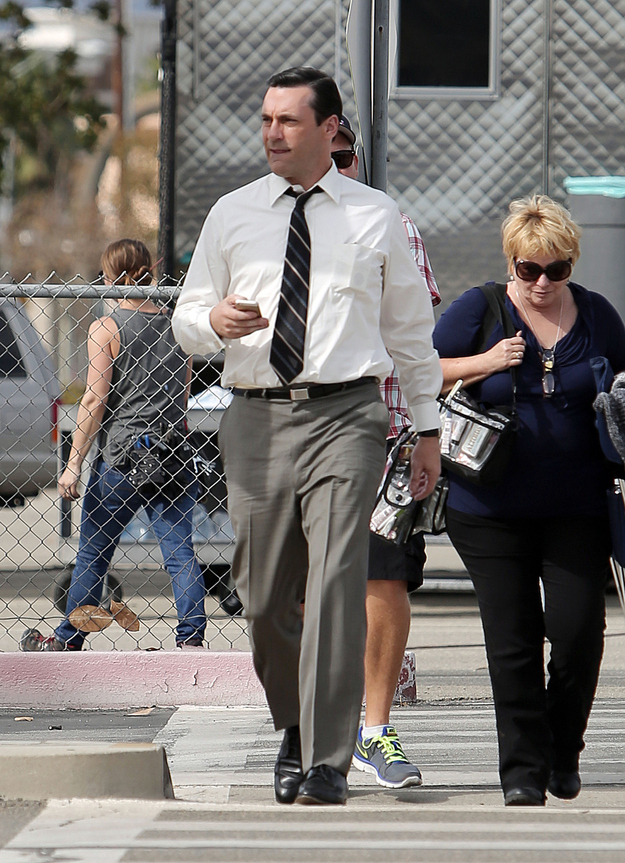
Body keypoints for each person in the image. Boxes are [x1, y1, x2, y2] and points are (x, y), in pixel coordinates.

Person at [172, 67, 442, 806]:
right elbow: (187, 317)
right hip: (255, 414)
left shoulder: (376, 216)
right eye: (265, 119)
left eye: (288, 121)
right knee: (261, 595)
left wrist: (426, 427)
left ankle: (327, 760)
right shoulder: (232, 213)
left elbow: (410, 333)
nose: (272, 133)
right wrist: (212, 322)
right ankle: (293, 723)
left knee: (334, 581)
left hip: (347, 414)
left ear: (329, 129)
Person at [433, 195, 625, 806]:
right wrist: (484, 362)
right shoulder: (480, 308)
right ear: (511, 262)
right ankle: (521, 771)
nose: (542, 282)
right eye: (529, 269)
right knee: (511, 640)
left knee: (578, 634)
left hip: (578, 507)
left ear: (571, 264)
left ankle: (563, 749)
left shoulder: (596, 314)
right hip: (487, 507)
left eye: (556, 269)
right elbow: (419, 369)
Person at [21, 239, 207, 651]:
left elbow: (94, 399)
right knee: (180, 551)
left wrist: (73, 464)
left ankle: (67, 640)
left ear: (108, 277)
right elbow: (181, 397)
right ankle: (191, 639)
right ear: (150, 271)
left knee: (94, 554)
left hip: (123, 455)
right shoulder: (179, 326)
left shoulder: (106, 327)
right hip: (172, 452)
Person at [330, 115, 441, 789]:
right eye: (326, 155)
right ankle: (321, 725)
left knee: (384, 580)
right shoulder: (263, 221)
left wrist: (426, 430)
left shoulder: (389, 222)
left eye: (346, 156)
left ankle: (374, 730)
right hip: (298, 433)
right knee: (300, 589)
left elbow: (415, 333)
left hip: (383, 433)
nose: (336, 167)